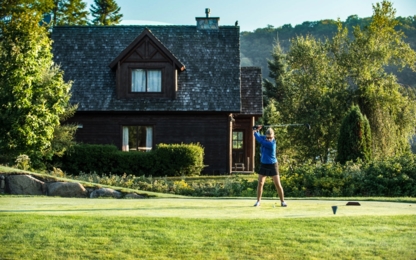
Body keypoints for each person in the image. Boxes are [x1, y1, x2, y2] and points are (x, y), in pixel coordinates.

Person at [253, 125, 287, 207]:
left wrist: (254, 131)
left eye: (270, 138)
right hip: (264, 164)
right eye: (267, 137)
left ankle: (282, 202)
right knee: (260, 183)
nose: (269, 139)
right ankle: (258, 201)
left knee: (277, 184)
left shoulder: (271, 144)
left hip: (272, 164)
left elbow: (259, 139)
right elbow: (259, 136)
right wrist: (256, 130)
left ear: (273, 136)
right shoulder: (265, 138)